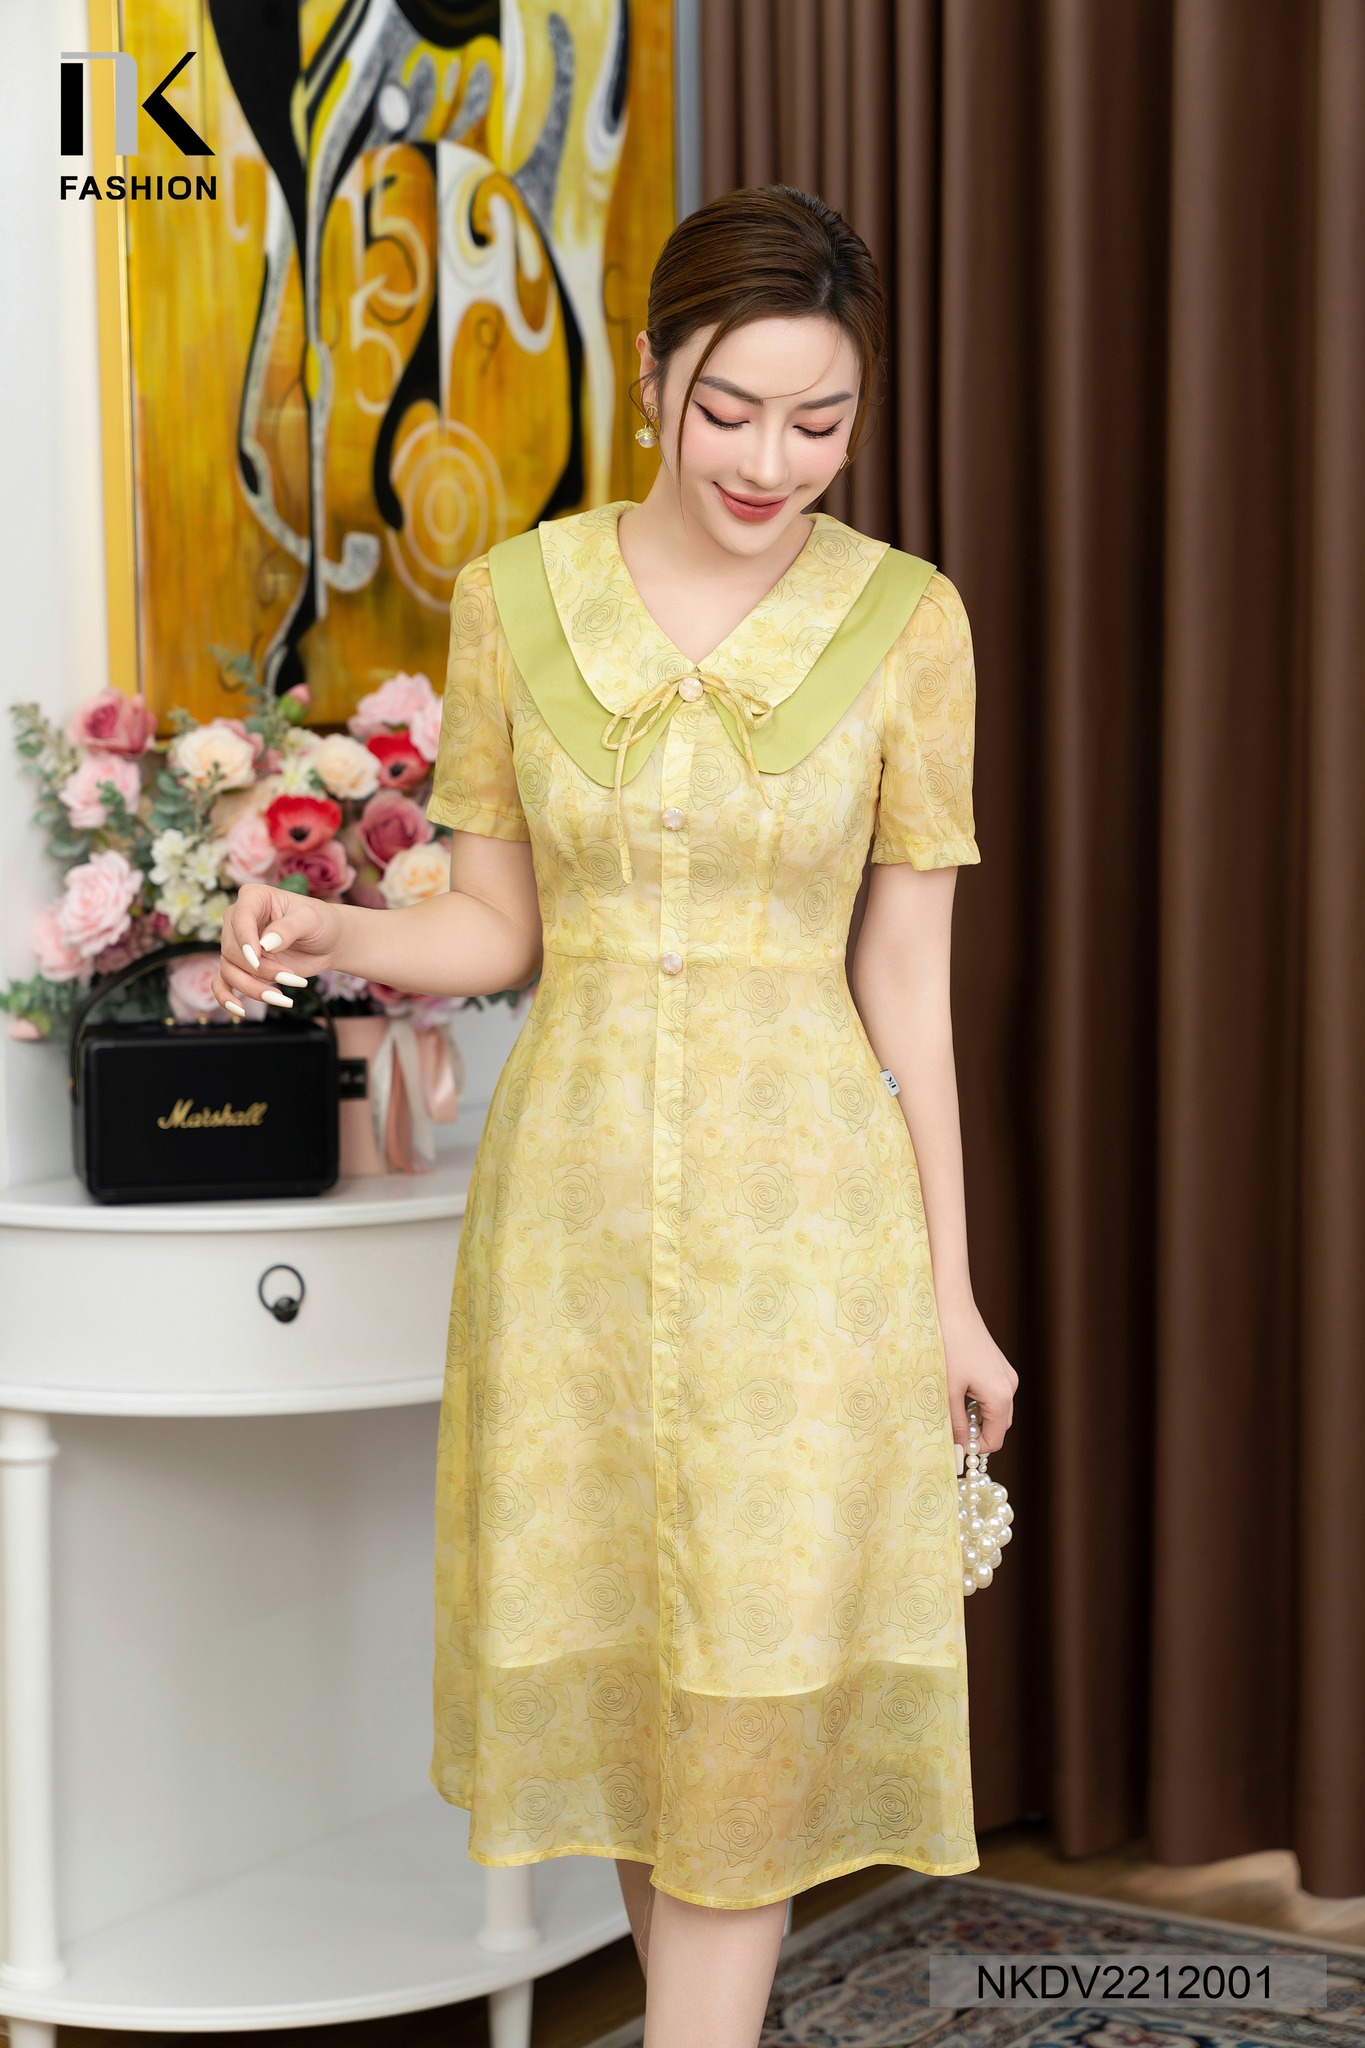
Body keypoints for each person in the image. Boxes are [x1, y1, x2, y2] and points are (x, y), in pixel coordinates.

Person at [213, 184, 1018, 2048]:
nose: (770, 463)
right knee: (654, 1726)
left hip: (803, 1233)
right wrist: (332, 927)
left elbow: (908, 984)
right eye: (730, 409)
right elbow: (496, 931)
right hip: (570, 1222)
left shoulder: (907, 626)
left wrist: (951, 1299)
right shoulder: (515, 601)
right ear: (653, 376)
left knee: (741, 1716)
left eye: (819, 423)